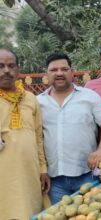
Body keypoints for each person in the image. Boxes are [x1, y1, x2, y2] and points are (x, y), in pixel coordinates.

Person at [37, 53, 101, 204]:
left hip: (88, 175)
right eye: (54, 70)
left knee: (91, 214)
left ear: (71, 72)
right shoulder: (37, 102)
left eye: (64, 69)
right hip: (55, 181)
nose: (59, 73)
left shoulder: (89, 97)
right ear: (46, 74)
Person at [0, 48, 50, 218]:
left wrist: (43, 169)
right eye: (0, 66)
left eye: (11, 65)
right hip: (3, 175)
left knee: (30, 212)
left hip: (30, 172)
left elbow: (38, 136)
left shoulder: (30, 98)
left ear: (18, 69)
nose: (6, 70)